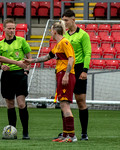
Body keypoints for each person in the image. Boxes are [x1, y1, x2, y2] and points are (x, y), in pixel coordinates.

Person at [24, 21, 77, 142]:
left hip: (65, 74)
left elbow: (71, 58)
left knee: (65, 104)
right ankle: (65, 134)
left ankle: (72, 135)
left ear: (54, 31)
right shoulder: (58, 45)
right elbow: (47, 57)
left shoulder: (65, 42)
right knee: (63, 105)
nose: (50, 33)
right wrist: (31, 61)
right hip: (61, 74)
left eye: (51, 31)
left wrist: (67, 75)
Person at [0, 18, 32, 140]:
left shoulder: (21, 41)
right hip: (7, 77)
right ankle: (12, 131)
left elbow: (29, 57)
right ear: (3, 29)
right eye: (9, 28)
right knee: (10, 104)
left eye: (13, 28)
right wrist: (0, 66)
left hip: (20, 75)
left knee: (21, 104)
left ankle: (25, 132)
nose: (12, 30)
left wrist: (27, 70)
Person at [62, 9, 91, 140]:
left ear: (73, 20)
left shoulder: (83, 35)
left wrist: (85, 70)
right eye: (63, 20)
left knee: (81, 102)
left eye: (66, 20)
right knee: (64, 102)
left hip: (79, 69)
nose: (64, 23)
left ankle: (84, 133)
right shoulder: (64, 35)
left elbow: (88, 53)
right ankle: (66, 131)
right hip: (67, 70)